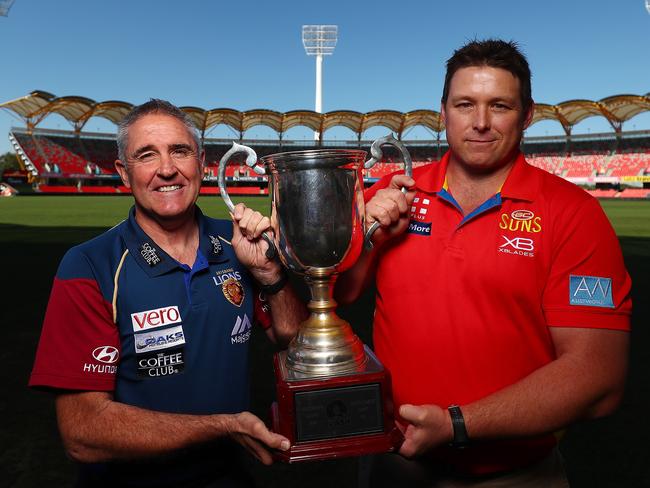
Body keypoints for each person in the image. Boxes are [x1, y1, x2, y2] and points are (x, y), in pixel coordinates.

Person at [337, 39, 631, 487]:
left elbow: (598, 377)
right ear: (442, 113)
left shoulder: (572, 213)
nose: (479, 123)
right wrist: (369, 238)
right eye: (464, 104)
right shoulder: (396, 194)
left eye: (499, 106)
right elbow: (337, 294)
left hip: (513, 474)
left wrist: (458, 424)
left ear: (527, 114)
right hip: (393, 465)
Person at [29, 99, 306, 488]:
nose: (166, 169)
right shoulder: (89, 266)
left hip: (228, 478)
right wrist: (223, 427)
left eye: (180, 151)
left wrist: (270, 272)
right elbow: (82, 431)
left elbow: (293, 340)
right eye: (147, 155)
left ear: (202, 161)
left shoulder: (238, 244)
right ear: (124, 174)